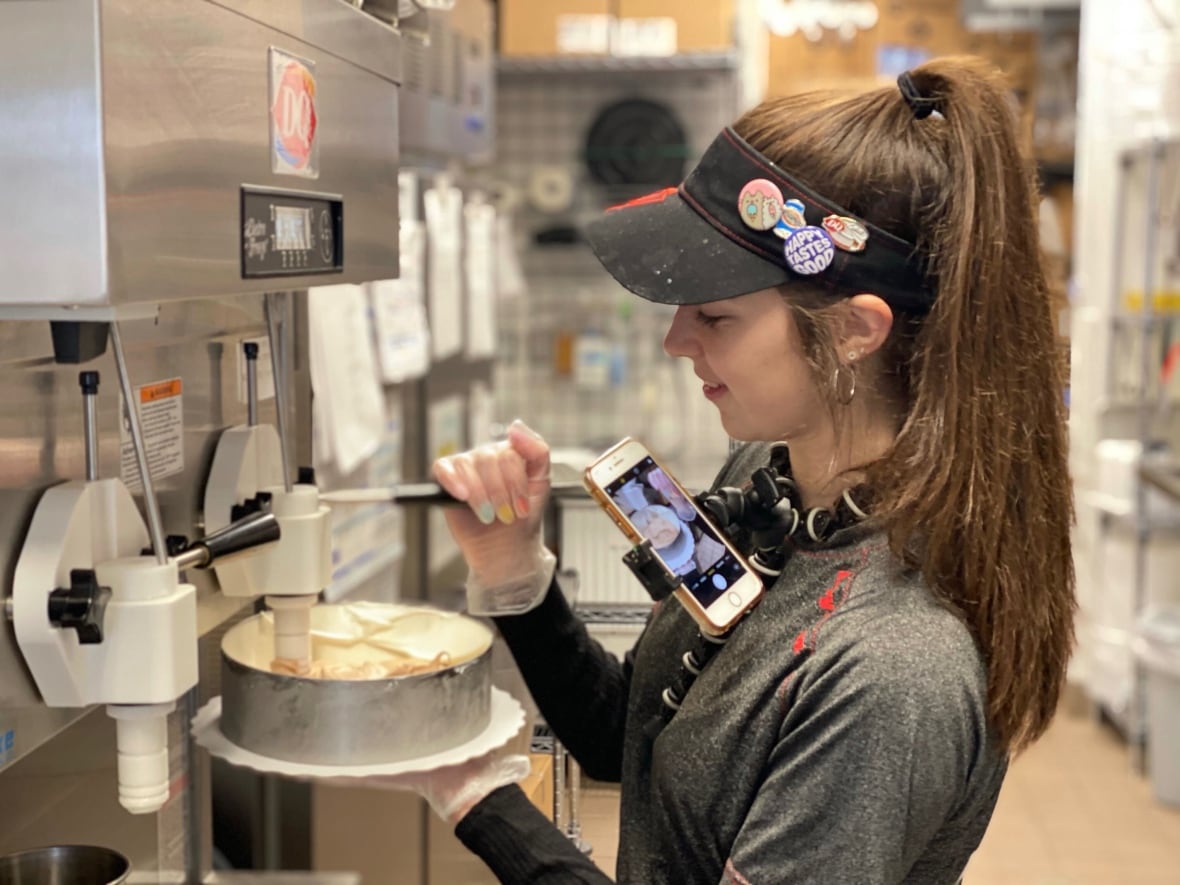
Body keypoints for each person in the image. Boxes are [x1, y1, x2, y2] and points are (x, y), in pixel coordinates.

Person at [391, 57, 1076, 884]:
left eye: (716, 314)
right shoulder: (775, 478)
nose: (677, 341)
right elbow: (637, 729)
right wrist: (514, 573)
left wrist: (479, 801)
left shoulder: (889, 672)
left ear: (857, 328)